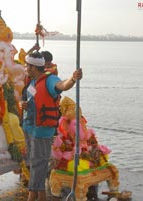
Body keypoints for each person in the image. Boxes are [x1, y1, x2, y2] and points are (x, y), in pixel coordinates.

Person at [21, 51, 82, 201]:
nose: (25, 67)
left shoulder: (50, 79)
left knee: (38, 164)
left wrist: (73, 79)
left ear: (34, 67)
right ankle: (40, 195)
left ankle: (32, 196)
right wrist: (24, 105)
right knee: (34, 163)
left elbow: (62, 85)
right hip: (30, 128)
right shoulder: (33, 82)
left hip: (42, 131)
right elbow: (31, 100)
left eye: (27, 65)